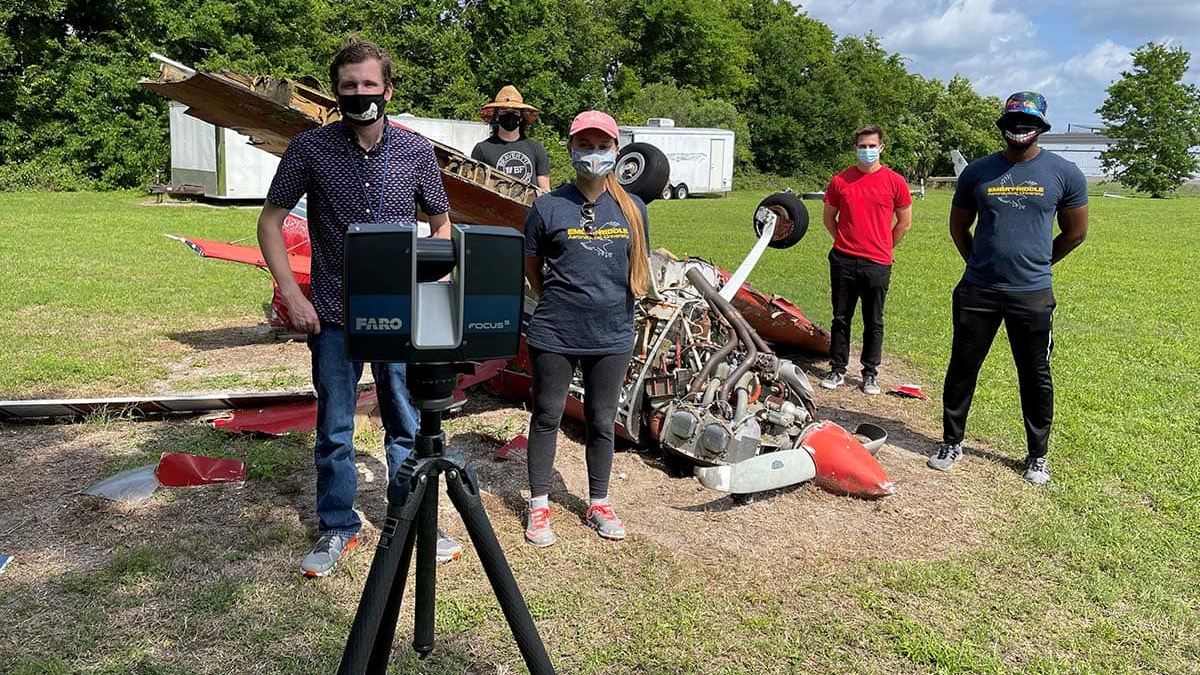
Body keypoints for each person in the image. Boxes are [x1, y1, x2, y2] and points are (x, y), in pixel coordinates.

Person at [257, 37, 463, 577]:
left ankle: (413, 518)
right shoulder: (310, 149)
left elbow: (442, 226)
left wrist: (432, 284)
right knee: (335, 429)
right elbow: (269, 223)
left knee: (405, 422)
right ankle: (337, 526)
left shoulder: (416, 152)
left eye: (369, 84)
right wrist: (293, 295)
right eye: (349, 86)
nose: (359, 93)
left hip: (397, 313)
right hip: (331, 312)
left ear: (388, 90)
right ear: (335, 91)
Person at [928, 91, 1089, 485]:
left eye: (1029, 122)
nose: (1020, 128)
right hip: (977, 291)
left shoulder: (1065, 173)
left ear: (1041, 127)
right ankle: (951, 442)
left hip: (1031, 295)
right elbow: (958, 226)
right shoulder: (977, 172)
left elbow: (1075, 233)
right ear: (1003, 125)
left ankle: (1037, 456)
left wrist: (1038, 265)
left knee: (1035, 374)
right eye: (1014, 121)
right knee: (962, 368)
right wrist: (978, 263)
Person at [521, 110, 652, 547]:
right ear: (571, 149)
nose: (593, 154)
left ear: (616, 150)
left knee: (601, 420)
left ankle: (599, 501)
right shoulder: (547, 206)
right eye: (584, 145)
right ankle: (539, 504)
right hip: (555, 332)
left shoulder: (633, 209)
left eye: (602, 146)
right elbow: (533, 269)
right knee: (547, 415)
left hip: (612, 334)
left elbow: (635, 266)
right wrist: (561, 301)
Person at [820, 124, 913, 395]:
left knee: (874, 321)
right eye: (863, 146)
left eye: (872, 146)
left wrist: (883, 246)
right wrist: (845, 241)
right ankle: (837, 368)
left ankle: (870, 373)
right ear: (855, 148)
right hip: (843, 260)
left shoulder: (895, 182)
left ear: (881, 148)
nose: (867, 150)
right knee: (841, 317)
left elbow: (904, 223)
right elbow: (829, 218)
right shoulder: (840, 181)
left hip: (878, 263)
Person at [472, 85, 551, 191]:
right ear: (497, 115)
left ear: (521, 116)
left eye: (514, 112)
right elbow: (475, 188)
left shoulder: (536, 148)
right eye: (504, 112)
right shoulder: (482, 149)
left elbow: (545, 190)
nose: (510, 116)